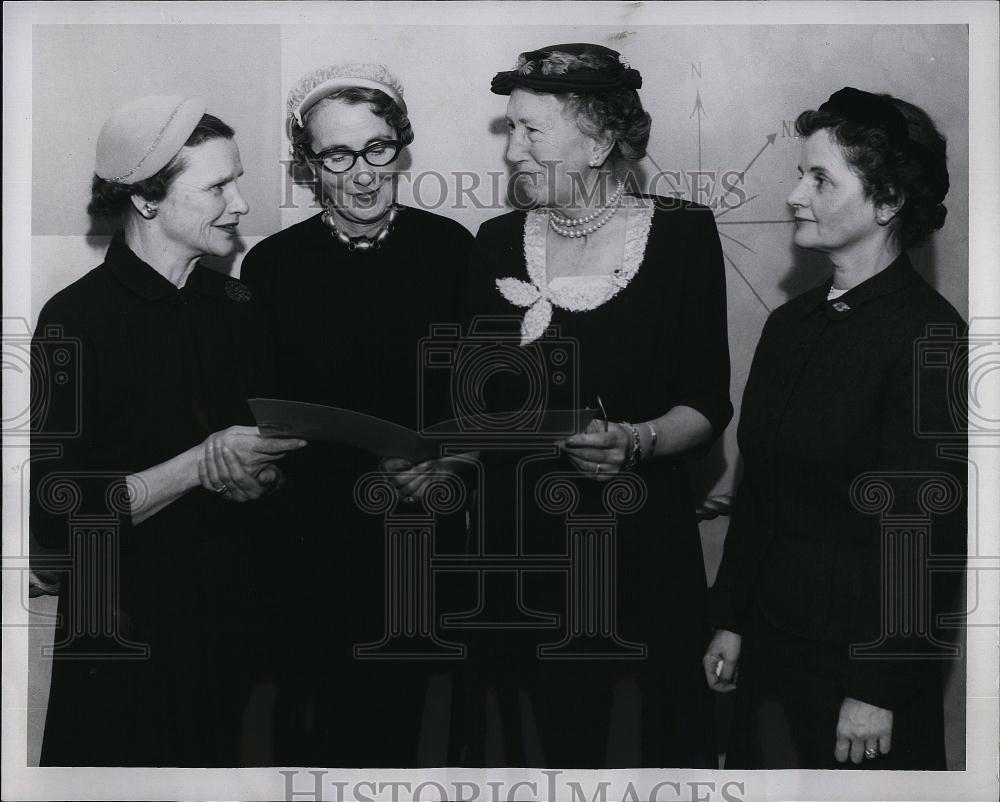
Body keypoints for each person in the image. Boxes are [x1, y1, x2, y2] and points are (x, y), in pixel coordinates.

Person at [453, 43, 732, 767]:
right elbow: (474, 408)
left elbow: (707, 402)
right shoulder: (493, 245)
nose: (511, 149)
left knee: (670, 750)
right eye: (509, 128)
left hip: (646, 546)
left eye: (530, 131)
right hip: (531, 553)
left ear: (602, 140)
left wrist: (636, 439)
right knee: (553, 753)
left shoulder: (682, 235)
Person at [31, 95, 306, 766]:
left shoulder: (238, 307)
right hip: (122, 642)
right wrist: (199, 464)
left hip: (227, 635)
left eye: (236, 180)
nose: (241, 204)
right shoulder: (74, 322)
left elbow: (270, 467)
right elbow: (56, 518)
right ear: (147, 201)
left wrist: (259, 475)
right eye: (218, 186)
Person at [704, 87, 967, 769]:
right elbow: (758, 492)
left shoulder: (930, 336)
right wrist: (730, 620)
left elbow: (920, 533)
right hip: (769, 649)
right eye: (801, 173)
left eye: (821, 178)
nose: (795, 194)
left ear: (887, 202)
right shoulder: (790, 324)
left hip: (858, 679)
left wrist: (877, 687)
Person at [239, 63, 473, 766]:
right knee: (303, 735)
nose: (363, 173)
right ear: (310, 166)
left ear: (400, 147)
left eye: (378, 149)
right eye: (338, 155)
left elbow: (488, 407)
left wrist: (451, 461)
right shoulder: (271, 266)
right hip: (306, 550)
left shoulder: (454, 252)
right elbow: (258, 408)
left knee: (404, 738)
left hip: (422, 544)